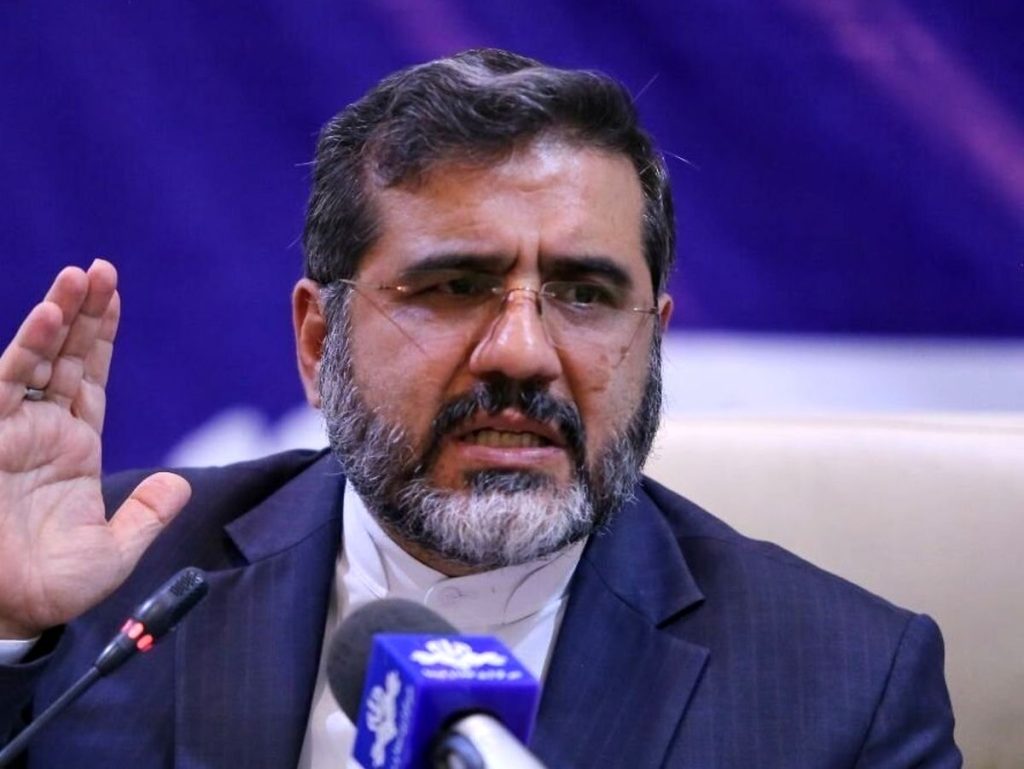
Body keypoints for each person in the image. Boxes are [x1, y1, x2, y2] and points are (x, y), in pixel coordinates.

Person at [0, 49, 960, 768]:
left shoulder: (845, 689)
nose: (522, 352)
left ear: (652, 341)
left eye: (583, 294)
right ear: (319, 342)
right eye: (455, 286)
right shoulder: (102, 584)